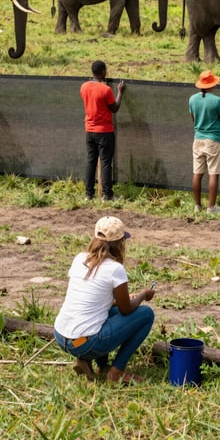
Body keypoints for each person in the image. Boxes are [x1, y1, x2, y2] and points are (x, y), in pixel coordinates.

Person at [54, 216, 155, 384]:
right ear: (120, 243)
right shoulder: (115, 269)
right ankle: (116, 371)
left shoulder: (80, 258)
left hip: (61, 335)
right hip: (85, 342)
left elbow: (93, 300)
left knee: (108, 312)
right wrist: (144, 294)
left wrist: (118, 300)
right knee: (145, 314)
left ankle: (89, 361)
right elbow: (127, 310)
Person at [189, 69, 220, 215]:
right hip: (213, 141)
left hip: (198, 139)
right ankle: (211, 207)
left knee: (197, 173)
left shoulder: (192, 99)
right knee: (213, 173)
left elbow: (194, 119)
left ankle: (197, 206)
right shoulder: (217, 101)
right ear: (212, 85)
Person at [80, 60, 125, 201]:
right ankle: (107, 194)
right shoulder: (105, 90)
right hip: (104, 131)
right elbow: (115, 108)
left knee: (91, 161)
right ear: (103, 72)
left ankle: (88, 194)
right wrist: (120, 92)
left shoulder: (84, 86)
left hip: (89, 130)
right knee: (106, 163)